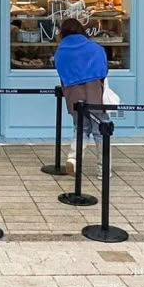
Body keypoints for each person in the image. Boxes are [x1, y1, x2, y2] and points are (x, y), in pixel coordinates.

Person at [53, 17, 109, 179]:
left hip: (72, 91)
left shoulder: (61, 50)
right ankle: (102, 169)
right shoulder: (94, 47)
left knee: (80, 128)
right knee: (101, 130)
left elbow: (60, 70)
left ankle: (73, 158)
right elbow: (103, 69)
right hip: (94, 89)